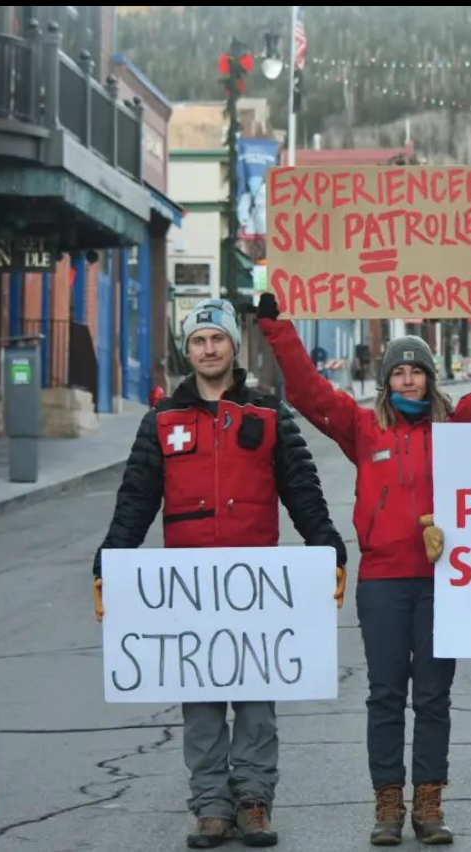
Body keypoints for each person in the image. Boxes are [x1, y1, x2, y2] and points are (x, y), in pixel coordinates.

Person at [256, 290, 471, 846]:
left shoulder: (456, 425)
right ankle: (388, 805)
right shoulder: (362, 427)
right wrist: (277, 329)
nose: (407, 379)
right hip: (383, 583)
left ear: (430, 377)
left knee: (434, 697)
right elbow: (308, 391)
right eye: (398, 371)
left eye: (416, 371)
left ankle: (429, 804)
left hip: (444, 581)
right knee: (385, 695)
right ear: (386, 380)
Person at [93, 298, 347, 849]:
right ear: (187, 352)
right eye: (198, 341)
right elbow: (136, 498)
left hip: (255, 587)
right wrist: (110, 558)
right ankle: (210, 804)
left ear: (233, 345)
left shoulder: (269, 414)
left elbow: (302, 490)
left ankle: (254, 800)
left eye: (217, 339)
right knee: (201, 701)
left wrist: (327, 544)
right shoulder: (162, 420)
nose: (209, 349)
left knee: (256, 698)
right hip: (190, 591)